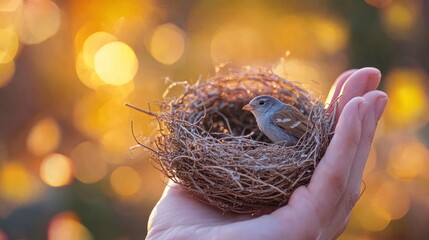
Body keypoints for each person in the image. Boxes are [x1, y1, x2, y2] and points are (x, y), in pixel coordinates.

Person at [146, 67, 388, 240]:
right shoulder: (264, 120)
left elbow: (302, 137)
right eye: (252, 105)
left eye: (259, 104)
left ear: (270, 105)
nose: (252, 107)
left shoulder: (277, 115)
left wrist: (316, 144)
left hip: (300, 145)